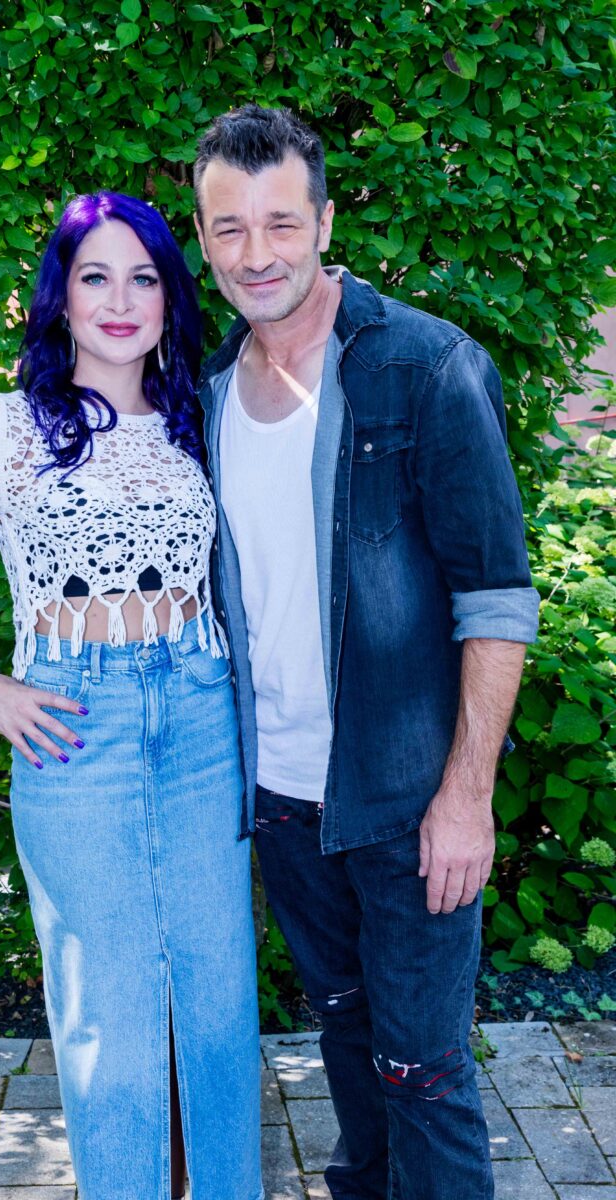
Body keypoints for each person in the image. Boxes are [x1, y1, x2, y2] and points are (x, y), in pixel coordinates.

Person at [0, 191, 263, 1200]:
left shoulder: (202, 420)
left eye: (143, 278)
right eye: (95, 278)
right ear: (62, 299)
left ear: (169, 298)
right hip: (75, 728)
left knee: (218, 1001)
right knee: (106, 1012)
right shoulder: (10, 428)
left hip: (200, 715)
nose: (120, 302)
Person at [192, 105, 540, 1200]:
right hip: (282, 803)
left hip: (406, 802)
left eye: (281, 224)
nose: (256, 254)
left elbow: (495, 600)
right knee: (346, 1036)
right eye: (230, 227)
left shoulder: (426, 368)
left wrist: (466, 797)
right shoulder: (206, 392)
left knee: (422, 1072)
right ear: (203, 238)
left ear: (326, 224)